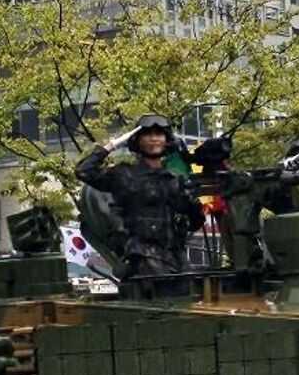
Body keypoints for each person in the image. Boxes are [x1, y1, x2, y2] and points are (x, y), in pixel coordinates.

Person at [75, 115, 207, 281]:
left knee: (193, 289)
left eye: (159, 134)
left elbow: (196, 219)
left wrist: (189, 209)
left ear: (167, 140)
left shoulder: (174, 179)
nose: (153, 139)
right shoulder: (124, 175)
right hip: (142, 255)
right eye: (147, 134)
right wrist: (110, 146)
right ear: (137, 140)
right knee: (163, 290)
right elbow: (83, 171)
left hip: (174, 254)